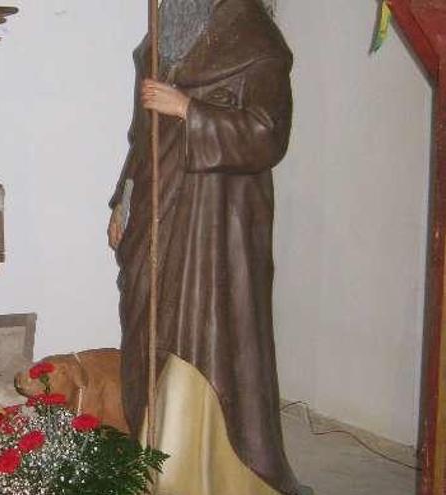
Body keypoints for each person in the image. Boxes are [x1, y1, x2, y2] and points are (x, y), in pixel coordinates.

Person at [108, 0, 301, 494]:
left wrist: (189, 110)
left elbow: (268, 134)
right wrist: (124, 200)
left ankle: (201, 471)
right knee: (148, 317)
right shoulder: (161, 32)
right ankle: (151, 456)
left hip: (216, 222)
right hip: (158, 205)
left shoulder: (255, 37)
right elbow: (141, 136)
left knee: (205, 330)